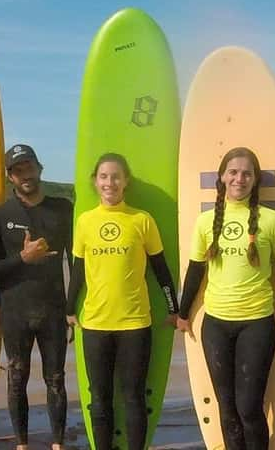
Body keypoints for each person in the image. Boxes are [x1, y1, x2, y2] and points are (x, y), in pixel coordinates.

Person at [176, 147, 275, 450]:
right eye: (234, 172)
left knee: (249, 409)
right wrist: (182, 313)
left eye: (247, 173)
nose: (240, 178)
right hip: (215, 325)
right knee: (227, 411)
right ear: (222, 177)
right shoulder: (205, 222)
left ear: (255, 180)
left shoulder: (272, 221)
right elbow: (195, 273)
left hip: (257, 324)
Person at [66, 153, 180, 450]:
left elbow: (160, 268)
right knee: (99, 398)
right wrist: (68, 309)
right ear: (95, 181)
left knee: (133, 397)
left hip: (135, 323)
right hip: (95, 323)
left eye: (116, 176)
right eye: (104, 176)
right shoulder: (85, 222)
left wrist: (173, 308)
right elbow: (78, 270)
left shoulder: (141, 220)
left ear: (126, 181)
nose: (110, 182)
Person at [0, 144, 73, 450]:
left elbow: (78, 261)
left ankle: (57, 442)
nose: (26, 175)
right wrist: (22, 258)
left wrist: (73, 307)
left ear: (39, 168)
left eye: (29, 167)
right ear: (10, 177)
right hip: (15, 310)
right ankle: (22, 443)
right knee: (17, 376)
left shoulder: (63, 209)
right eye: (18, 171)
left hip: (53, 310)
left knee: (56, 379)